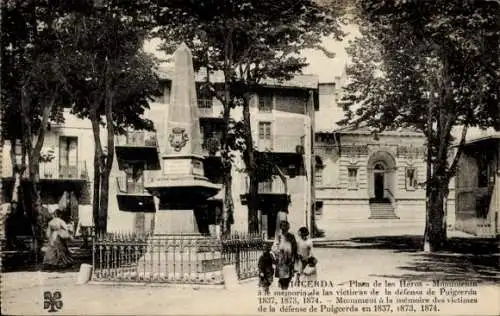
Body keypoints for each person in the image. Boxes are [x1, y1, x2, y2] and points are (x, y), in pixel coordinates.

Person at [272, 220, 298, 290]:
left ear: (288, 227)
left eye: (286, 226)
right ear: (281, 227)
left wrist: (293, 257)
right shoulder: (279, 236)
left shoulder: (291, 236)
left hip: (290, 259)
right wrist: (278, 252)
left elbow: (295, 247)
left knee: (288, 276)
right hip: (281, 259)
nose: (285, 228)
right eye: (283, 226)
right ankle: (283, 287)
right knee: (282, 276)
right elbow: (274, 247)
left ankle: (284, 286)